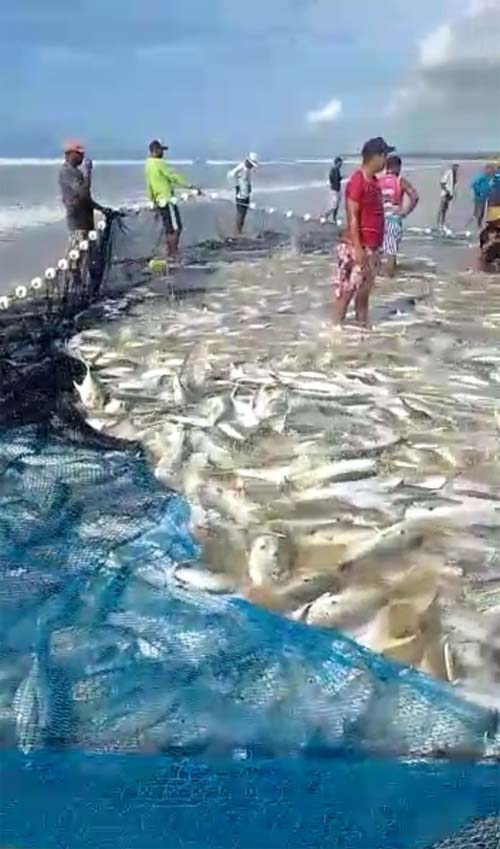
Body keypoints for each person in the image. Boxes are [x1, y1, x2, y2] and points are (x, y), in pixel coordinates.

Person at [334, 136, 395, 326]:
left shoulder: (374, 182)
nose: (386, 160)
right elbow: (352, 216)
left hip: (372, 247)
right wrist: (359, 248)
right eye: (384, 155)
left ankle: (362, 329)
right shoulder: (358, 181)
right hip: (357, 247)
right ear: (375, 156)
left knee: (363, 293)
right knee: (346, 292)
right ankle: (333, 331)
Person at [145, 139, 200, 264]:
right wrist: (190, 185)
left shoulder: (148, 165)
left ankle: (170, 253)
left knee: (168, 228)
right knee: (177, 228)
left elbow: (149, 185)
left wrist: (151, 201)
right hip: (168, 200)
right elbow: (173, 176)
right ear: (155, 150)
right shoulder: (159, 163)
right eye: (161, 150)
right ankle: (172, 254)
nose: (163, 153)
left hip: (159, 201)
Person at [59, 140, 107, 249]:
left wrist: (101, 209)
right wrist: (88, 172)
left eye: (82, 155)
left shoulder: (77, 172)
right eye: (79, 155)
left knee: (89, 253)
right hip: (78, 223)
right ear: (70, 155)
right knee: (79, 252)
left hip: (86, 221)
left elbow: (86, 199)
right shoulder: (67, 171)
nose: (82, 157)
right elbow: (82, 191)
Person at [378, 154, 419, 277]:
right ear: (397, 167)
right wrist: (405, 212)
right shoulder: (399, 181)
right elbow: (415, 197)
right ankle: (389, 281)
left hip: (379, 220)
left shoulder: (378, 181)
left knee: (380, 251)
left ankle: (380, 279)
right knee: (391, 251)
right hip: (393, 219)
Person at [227, 153, 259, 235]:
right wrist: (236, 187)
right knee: (240, 213)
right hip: (241, 195)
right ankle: (237, 232)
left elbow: (248, 179)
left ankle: (239, 230)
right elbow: (230, 175)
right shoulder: (242, 167)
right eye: (251, 164)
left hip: (246, 193)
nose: (252, 166)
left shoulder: (249, 168)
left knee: (244, 213)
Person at [471, 163, 495, 228]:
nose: (491, 171)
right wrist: (478, 192)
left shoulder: (490, 177)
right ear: (486, 169)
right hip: (479, 196)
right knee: (479, 211)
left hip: (486, 196)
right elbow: (473, 184)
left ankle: (481, 223)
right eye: (490, 169)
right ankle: (477, 223)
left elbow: (490, 186)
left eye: (492, 169)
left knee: (484, 211)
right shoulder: (482, 176)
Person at [437, 163, 459, 229]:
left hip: (450, 194)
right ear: (452, 166)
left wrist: (453, 194)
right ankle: (438, 223)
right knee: (441, 208)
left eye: (457, 167)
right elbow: (442, 183)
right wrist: (447, 191)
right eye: (455, 166)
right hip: (445, 194)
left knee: (445, 209)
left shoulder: (455, 174)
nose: (456, 168)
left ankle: (443, 222)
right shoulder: (448, 173)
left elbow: (454, 185)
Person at [327, 156, 343, 222]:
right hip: (334, 190)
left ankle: (334, 218)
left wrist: (341, 178)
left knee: (337, 205)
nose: (341, 165)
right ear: (337, 163)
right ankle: (325, 215)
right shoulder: (333, 170)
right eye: (340, 163)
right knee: (334, 206)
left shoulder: (337, 170)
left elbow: (338, 179)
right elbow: (331, 179)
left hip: (338, 189)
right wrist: (335, 182)